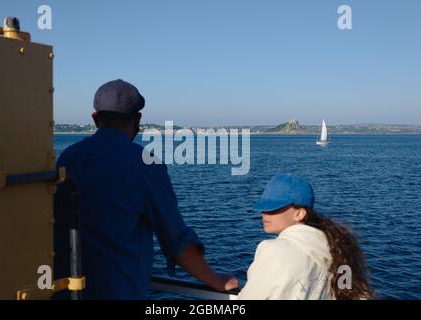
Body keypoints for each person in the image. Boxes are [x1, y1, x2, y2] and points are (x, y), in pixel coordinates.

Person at [53, 79, 238, 299]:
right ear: (137, 119)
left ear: (95, 118)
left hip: (65, 293)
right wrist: (216, 280)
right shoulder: (145, 164)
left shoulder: (67, 158)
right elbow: (176, 241)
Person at [237, 174, 372, 300]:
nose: (265, 213)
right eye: (264, 207)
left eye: (274, 208)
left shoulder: (272, 251)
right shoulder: (338, 249)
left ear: (300, 214)